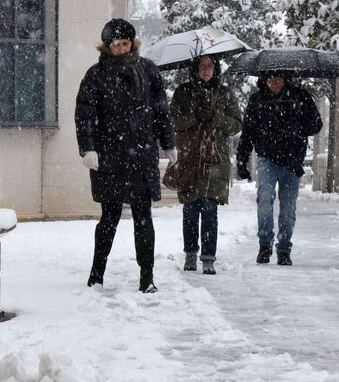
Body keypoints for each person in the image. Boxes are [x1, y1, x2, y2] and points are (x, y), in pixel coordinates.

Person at [75, 18, 176, 293]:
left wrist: (169, 143)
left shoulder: (147, 70)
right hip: (109, 158)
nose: (121, 49)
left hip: (141, 157)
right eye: (116, 44)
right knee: (109, 217)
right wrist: (88, 147)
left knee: (144, 217)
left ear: (133, 43)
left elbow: (161, 111)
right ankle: (96, 276)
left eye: (125, 43)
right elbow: (85, 114)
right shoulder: (96, 75)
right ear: (107, 47)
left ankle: (147, 278)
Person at [236, 72, 322, 266]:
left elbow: (317, 124)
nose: (274, 83)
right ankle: (265, 244)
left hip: (292, 161)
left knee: (288, 207)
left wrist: (298, 127)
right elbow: (248, 132)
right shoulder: (257, 100)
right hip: (267, 158)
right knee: (264, 198)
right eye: (270, 80)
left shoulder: (300, 97)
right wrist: (242, 160)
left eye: (278, 79)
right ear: (264, 80)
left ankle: (284, 248)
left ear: (285, 79)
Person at [167, 54, 242, 275]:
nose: (206, 70)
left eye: (210, 66)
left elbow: (236, 125)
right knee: (190, 208)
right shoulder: (183, 93)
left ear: (216, 68)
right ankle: (190, 253)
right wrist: (194, 116)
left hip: (215, 159)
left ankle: (208, 258)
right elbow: (172, 122)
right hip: (190, 158)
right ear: (195, 69)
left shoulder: (225, 93)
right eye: (202, 66)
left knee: (210, 209)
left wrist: (214, 116)